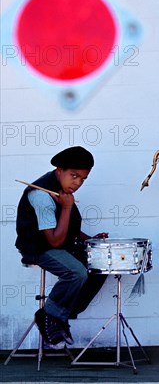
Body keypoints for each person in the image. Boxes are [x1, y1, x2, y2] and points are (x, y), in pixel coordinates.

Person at [15, 146, 108, 348]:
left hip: (56, 243)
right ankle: (49, 315)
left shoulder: (62, 189)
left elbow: (66, 229)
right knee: (77, 273)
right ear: (59, 170)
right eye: (73, 176)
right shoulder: (41, 196)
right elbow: (55, 241)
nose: (77, 183)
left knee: (100, 265)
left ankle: (61, 316)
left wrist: (88, 239)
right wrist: (67, 207)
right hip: (37, 248)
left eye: (82, 179)